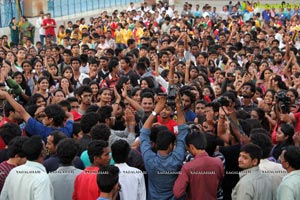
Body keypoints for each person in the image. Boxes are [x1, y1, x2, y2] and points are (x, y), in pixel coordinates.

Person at [140, 95, 188, 199]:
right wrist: (178, 107)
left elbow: (144, 134)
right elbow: (183, 132)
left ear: (156, 144)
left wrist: (155, 111)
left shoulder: (149, 159)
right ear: (171, 145)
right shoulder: (177, 159)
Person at [0, 90, 74, 141]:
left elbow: (22, 111)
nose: (43, 118)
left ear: (51, 119)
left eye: (45, 116)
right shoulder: (67, 130)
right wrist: (59, 112)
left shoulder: (42, 130)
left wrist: (7, 96)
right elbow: (70, 115)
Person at [173, 130, 224, 200]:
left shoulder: (187, 167)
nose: (188, 151)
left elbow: (177, 193)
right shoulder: (218, 162)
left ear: (191, 147)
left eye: (187, 149)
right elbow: (219, 182)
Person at [0, 135, 53, 200]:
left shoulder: (13, 172)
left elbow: (3, 197)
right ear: (42, 153)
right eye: (45, 148)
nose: (47, 148)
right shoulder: (42, 178)